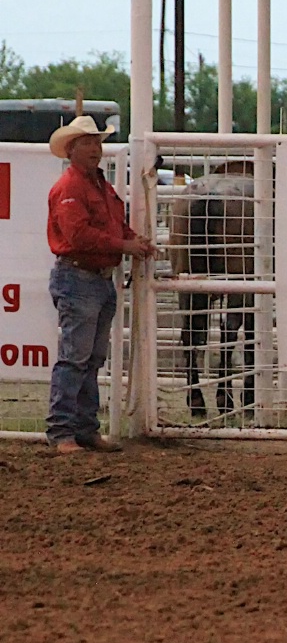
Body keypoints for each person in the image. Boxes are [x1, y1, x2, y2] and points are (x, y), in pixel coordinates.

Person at [45, 115, 158, 454]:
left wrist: (130, 239)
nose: (96, 149)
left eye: (97, 142)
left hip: (91, 278)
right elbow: (78, 235)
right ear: (72, 149)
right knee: (78, 357)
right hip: (80, 277)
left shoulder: (95, 185)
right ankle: (65, 431)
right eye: (88, 143)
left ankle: (80, 429)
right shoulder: (72, 188)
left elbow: (110, 226)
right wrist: (126, 245)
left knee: (88, 357)